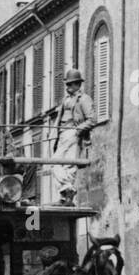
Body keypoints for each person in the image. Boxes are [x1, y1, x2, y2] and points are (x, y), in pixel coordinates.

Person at [52, 68, 94, 206]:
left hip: (73, 132)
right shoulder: (66, 99)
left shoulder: (84, 99)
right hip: (62, 133)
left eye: (70, 84)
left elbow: (92, 119)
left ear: (78, 84)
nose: (68, 87)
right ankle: (67, 191)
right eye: (67, 84)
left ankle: (66, 194)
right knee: (56, 164)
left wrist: (78, 130)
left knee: (67, 165)